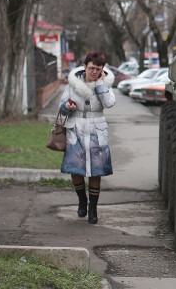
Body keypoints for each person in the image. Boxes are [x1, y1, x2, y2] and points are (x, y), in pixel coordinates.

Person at [59, 51, 116, 224]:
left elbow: (109, 103)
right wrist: (67, 107)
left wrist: (100, 84)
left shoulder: (105, 84)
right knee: (75, 170)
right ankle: (82, 200)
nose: (94, 72)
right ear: (85, 66)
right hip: (75, 129)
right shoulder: (73, 84)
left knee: (95, 172)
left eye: (98, 69)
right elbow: (61, 107)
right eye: (91, 68)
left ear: (102, 70)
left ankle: (93, 208)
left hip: (96, 130)